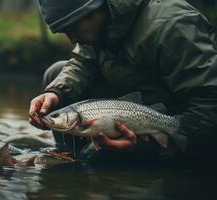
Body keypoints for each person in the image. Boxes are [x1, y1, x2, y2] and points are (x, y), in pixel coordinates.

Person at [29, 0, 217, 160]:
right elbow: (82, 62)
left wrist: (150, 146)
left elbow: (209, 104)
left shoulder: (172, 25)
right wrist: (55, 92)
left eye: (72, 28)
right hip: (129, 107)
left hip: (175, 121)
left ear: (94, 9)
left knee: (100, 159)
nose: (72, 39)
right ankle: (70, 160)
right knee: (56, 74)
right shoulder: (101, 24)